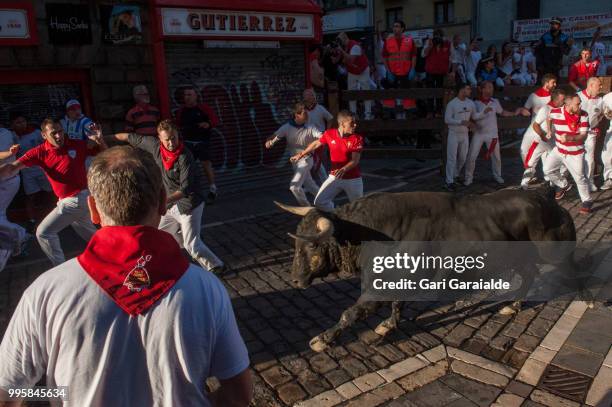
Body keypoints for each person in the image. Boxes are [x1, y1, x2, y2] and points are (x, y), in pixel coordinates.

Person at [0, 146, 252, 406]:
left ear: (92, 210)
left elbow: (8, 394)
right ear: (164, 201)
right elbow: (239, 393)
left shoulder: (44, 292)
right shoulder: (207, 288)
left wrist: (61, 393)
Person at [105, 119, 225, 273]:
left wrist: (161, 200)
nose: (170, 143)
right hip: (170, 204)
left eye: (173, 138)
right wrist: (103, 137)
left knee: (191, 245)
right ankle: (172, 261)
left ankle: (216, 266)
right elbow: (127, 137)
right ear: (160, 138)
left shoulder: (184, 156)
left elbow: (185, 188)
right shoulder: (153, 146)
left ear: (178, 136)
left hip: (189, 204)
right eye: (167, 139)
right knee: (159, 235)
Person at [0, 118, 104, 266]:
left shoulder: (77, 144)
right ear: (44, 135)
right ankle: (119, 254)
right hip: (69, 200)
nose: (58, 136)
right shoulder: (39, 152)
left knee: (43, 233)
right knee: (95, 238)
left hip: (77, 200)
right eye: (54, 133)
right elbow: (12, 168)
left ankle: (60, 269)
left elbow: (105, 153)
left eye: (60, 132)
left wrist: (99, 140)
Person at [290, 110, 363, 211]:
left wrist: (343, 169)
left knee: (359, 208)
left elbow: (355, 161)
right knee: (319, 202)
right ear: (342, 123)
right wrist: (301, 154)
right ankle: (336, 214)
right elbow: (316, 143)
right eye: (352, 123)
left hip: (353, 179)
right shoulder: (329, 134)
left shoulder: (357, 138)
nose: (355, 125)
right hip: (334, 177)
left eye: (355, 122)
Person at [465, 81, 522, 186]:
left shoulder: (495, 101)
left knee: (496, 157)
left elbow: (502, 112)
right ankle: (468, 178)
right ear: (482, 89)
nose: (491, 89)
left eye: (492, 87)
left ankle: (497, 175)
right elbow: (471, 117)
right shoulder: (475, 103)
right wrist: (472, 125)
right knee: (472, 156)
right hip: (479, 134)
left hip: (492, 134)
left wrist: (514, 113)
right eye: (489, 87)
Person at [265, 102, 322, 207]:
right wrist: (269, 141)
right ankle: (327, 204)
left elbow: (321, 137)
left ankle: (307, 209)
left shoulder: (311, 127)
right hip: (295, 161)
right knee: (310, 185)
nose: (308, 116)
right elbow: (274, 136)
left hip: (306, 160)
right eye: (305, 113)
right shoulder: (286, 127)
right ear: (297, 115)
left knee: (294, 186)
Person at [543, 93, 592, 214]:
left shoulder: (584, 115)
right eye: (578, 103)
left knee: (580, 178)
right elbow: (549, 118)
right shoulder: (555, 112)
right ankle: (565, 185)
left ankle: (587, 201)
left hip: (575, 153)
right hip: (559, 150)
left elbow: (583, 136)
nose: (580, 105)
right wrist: (549, 130)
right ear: (568, 104)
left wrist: (570, 138)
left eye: (580, 103)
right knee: (547, 169)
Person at [175, 86, 219, 204]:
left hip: (203, 142)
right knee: (188, 167)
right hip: (188, 143)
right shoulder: (181, 111)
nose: (187, 97)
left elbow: (215, 120)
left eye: (190, 94)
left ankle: (212, 189)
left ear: (196, 96)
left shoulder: (204, 108)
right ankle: (190, 192)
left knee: (206, 165)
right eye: (185, 95)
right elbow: (177, 126)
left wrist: (207, 124)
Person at [10, 112, 53, 228]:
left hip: (41, 168)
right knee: (30, 196)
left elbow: (48, 147)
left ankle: (49, 218)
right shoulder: (11, 136)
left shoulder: (36, 133)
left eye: (23, 121)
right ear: (13, 124)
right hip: (26, 171)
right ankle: (32, 221)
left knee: (49, 193)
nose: (22, 124)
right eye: (18, 122)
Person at [520, 88, 567, 189]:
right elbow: (535, 125)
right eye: (562, 99)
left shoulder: (562, 109)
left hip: (553, 142)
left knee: (553, 164)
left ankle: (554, 185)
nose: (564, 102)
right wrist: (542, 136)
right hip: (540, 141)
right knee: (531, 163)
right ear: (556, 99)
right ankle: (524, 185)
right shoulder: (545, 109)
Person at [0, 127, 29, 259]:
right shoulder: (8, 132)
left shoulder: (4, 133)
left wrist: (9, 153)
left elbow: (6, 153)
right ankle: (9, 245)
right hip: (6, 179)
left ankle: (20, 235)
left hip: (7, 180)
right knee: (1, 215)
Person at [444, 82, 477, 191]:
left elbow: (475, 115)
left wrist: (484, 113)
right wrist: (461, 122)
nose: (470, 91)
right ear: (461, 90)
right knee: (451, 158)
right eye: (468, 89)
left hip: (465, 134)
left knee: (463, 157)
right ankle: (449, 181)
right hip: (454, 134)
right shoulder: (452, 104)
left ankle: (455, 175)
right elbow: (447, 119)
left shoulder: (470, 103)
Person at [382, 20, 416, 118]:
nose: (394, 28)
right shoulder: (388, 41)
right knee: (389, 92)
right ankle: (387, 113)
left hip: (406, 71)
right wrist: (387, 71)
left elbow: (413, 55)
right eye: (394, 26)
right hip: (393, 72)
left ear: (402, 29)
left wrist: (412, 69)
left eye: (397, 26)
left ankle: (411, 112)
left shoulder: (409, 40)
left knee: (408, 92)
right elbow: (384, 57)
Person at [336, 32, 373, 120]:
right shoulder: (345, 47)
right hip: (352, 71)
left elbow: (351, 59)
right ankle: (353, 114)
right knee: (351, 92)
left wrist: (341, 51)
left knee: (366, 92)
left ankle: (368, 115)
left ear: (345, 39)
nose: (339, 43)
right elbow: (341, 60)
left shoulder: (354, 46)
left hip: (362, 70)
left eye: (340, 41)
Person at [578, 77, 604, 191]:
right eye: (599, 85)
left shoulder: (600, 100)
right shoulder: (578, 96)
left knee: (590, 157)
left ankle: (590, 181)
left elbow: (601, 114)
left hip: (591, 132)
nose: (601, 87)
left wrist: (596, 126)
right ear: (591, 86)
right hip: (576, 132)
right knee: (574, 156)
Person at [304, 88, 333, 182]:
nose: (313, 97)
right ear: (305, 98)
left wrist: (326, 132)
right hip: (307, 139)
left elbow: (330, 119)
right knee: (307, 163)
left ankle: (325, 183)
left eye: (313, 95)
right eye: (310, 95)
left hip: (320, 138)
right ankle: (310, 184)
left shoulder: (320, 108)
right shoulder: (302, 110)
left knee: (319, 161)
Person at [423, 29, 451, 114]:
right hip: (430, 71)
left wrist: (448, 71)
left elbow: (451, 58)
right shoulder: (429, 42)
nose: (437, 39)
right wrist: (430, 46)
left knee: (440, 92)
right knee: (430, 91)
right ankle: (430, 112)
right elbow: (423, 54)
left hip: (441, 72)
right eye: (436, 36)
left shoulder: (447, 43)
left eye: (439, 36)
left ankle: (439, 111)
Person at [601, 92, 612, 190]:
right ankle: (609, 178)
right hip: (611, 131)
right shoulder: (607, 97)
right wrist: (608, 114)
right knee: (606, 155)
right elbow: (605, 113)